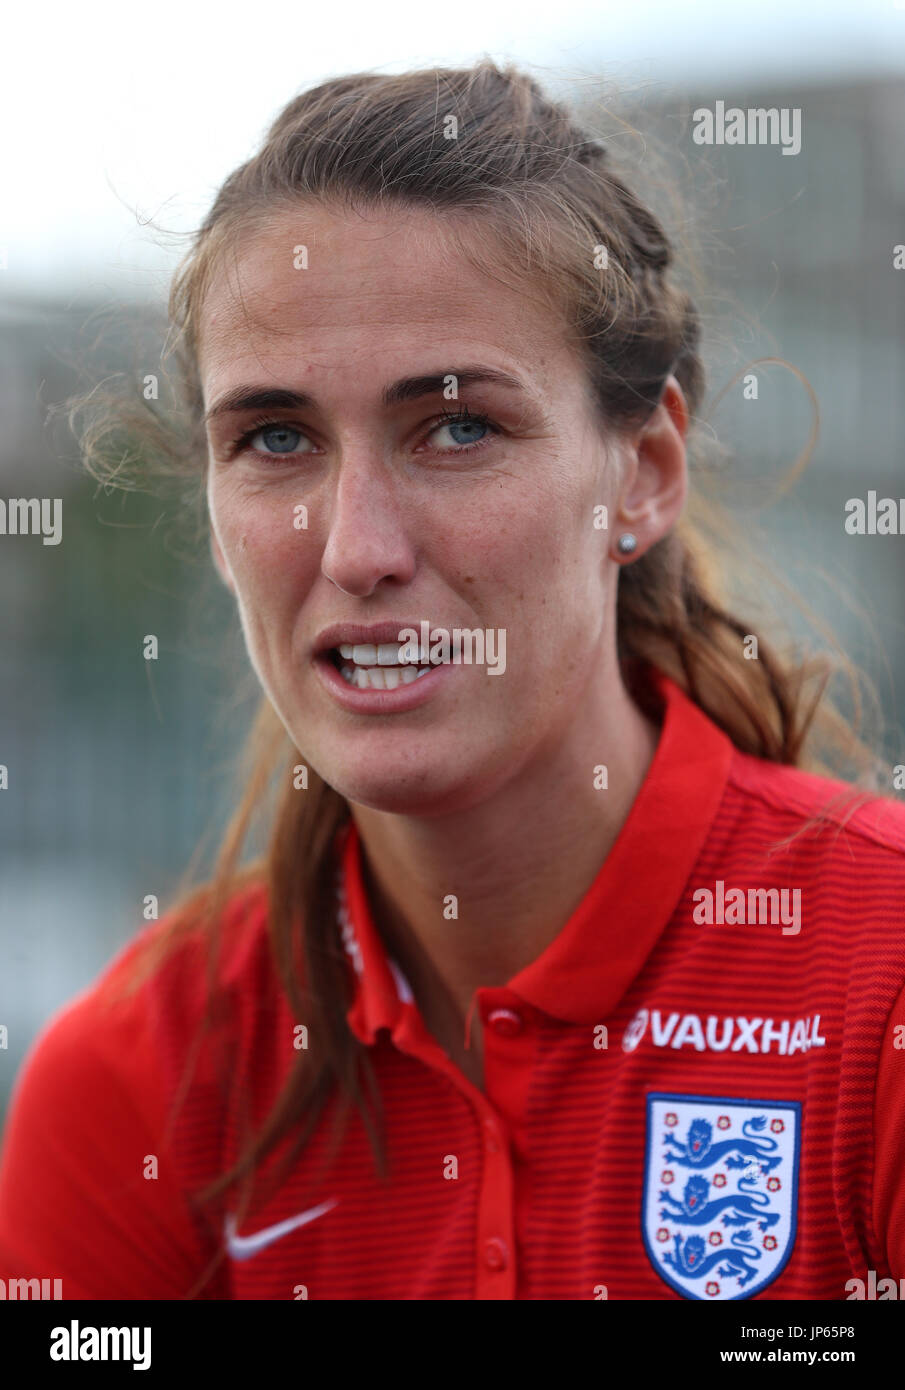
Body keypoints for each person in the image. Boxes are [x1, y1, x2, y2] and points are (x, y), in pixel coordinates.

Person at [1, 59, 904, 1303]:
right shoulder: (133, 1078)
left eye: (457, 426)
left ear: (640, 475)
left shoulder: (877, 983)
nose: (358, 547)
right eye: (275, 439)